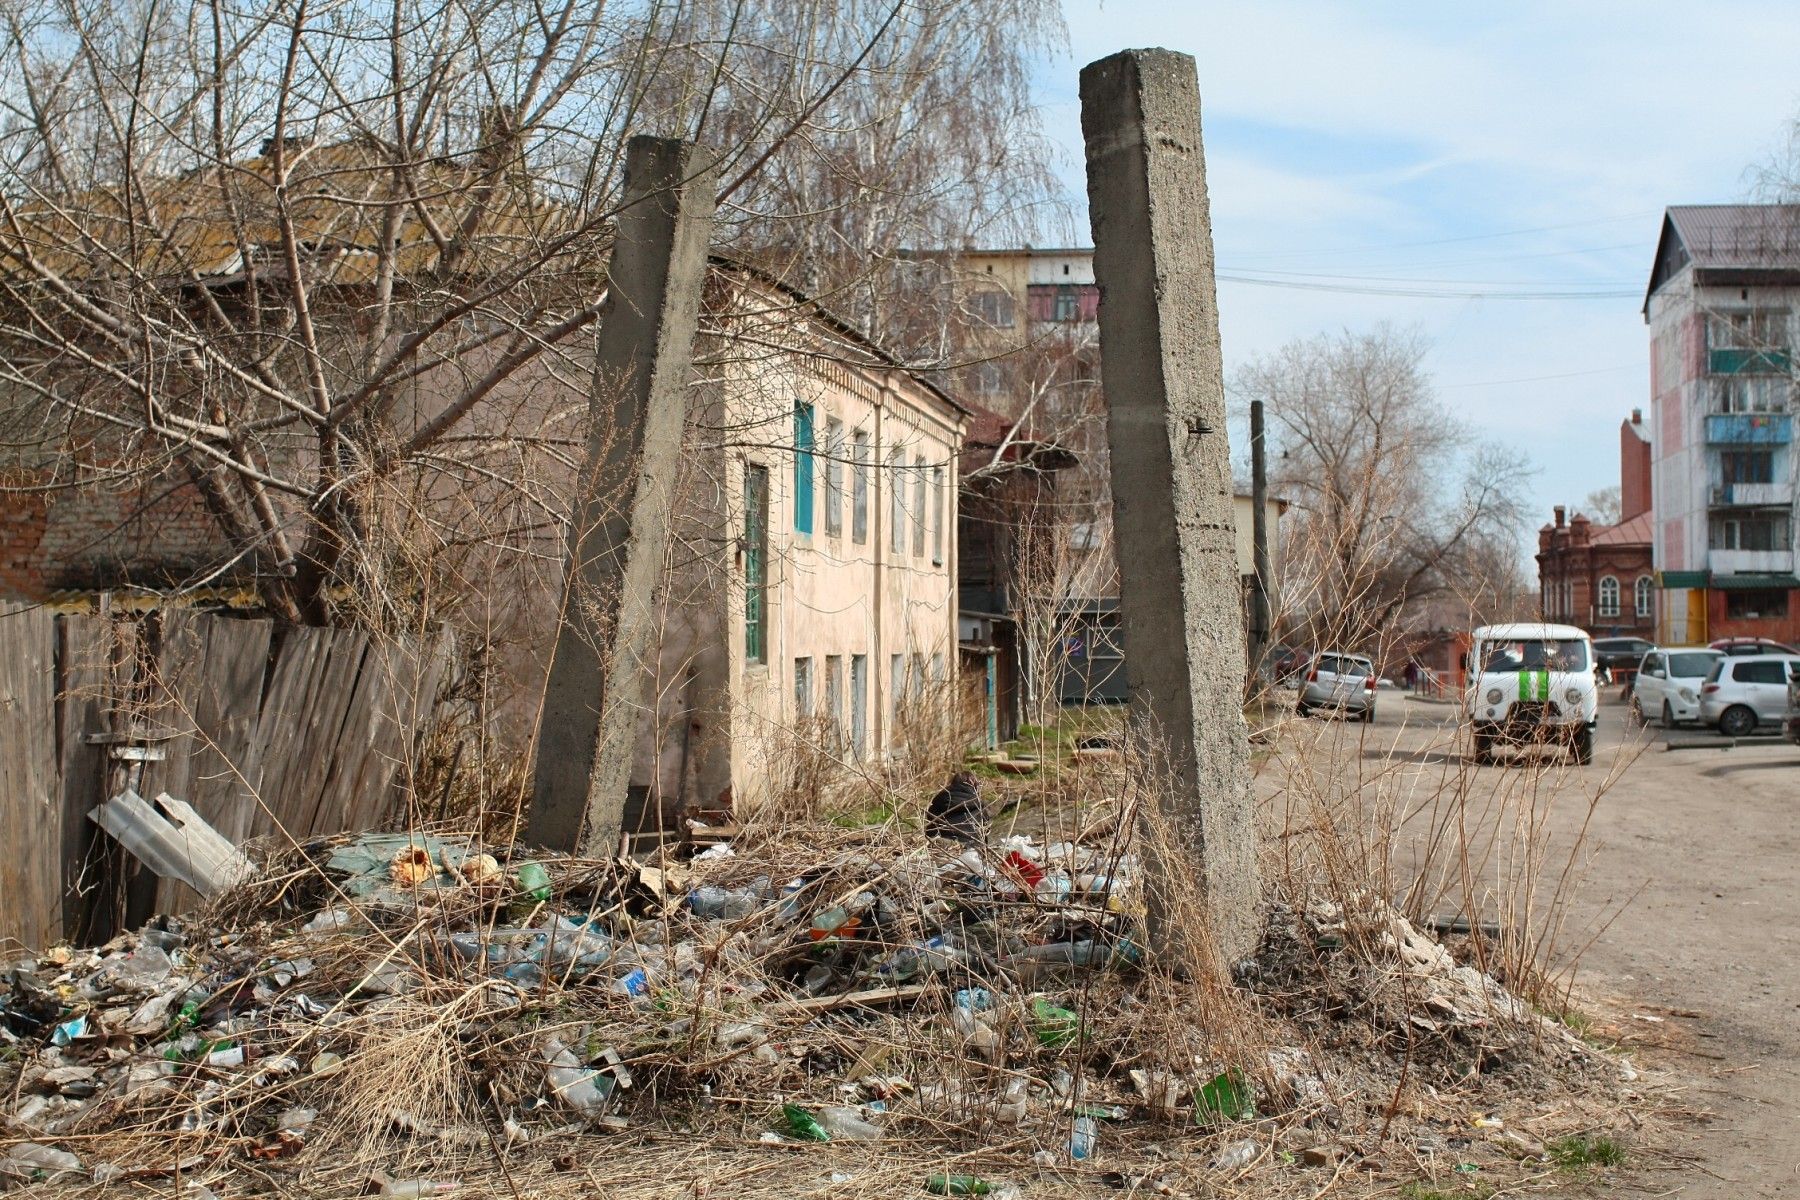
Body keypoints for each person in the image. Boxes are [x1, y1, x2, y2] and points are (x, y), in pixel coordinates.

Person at [927, 771, 986, 844]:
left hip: (940, 844)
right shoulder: (978, 805)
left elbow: (930, 830)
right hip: (970, 847)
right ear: (974, 785)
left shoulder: (939, 801)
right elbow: (985, 832)